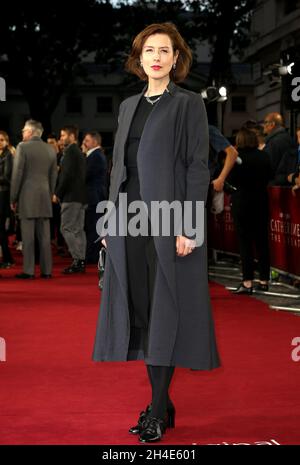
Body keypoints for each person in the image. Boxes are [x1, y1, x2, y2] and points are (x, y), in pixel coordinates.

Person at [92, 22, 220, 443]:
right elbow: (118, 170)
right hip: (130, 222)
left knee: (167, 311)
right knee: (145, 312)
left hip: (169, 223)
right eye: (150, 50)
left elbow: (197, 167)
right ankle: (162, 403)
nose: (157, 57)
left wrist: (189, 225)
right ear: (139, 58)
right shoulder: (128, 106)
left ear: (177, 59)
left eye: (165, 50)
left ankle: (156, 409)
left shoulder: (188, 105)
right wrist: (110, 221)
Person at [10, 120, 57, 279]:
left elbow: (18, 174)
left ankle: (28, 271)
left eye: (24, 130)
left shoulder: (22, 147)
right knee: (45, 237)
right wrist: (50, 193)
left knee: (28, 237)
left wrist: (13, 197)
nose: (22, 133)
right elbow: (53, 176)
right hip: (44, 196)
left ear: (30, 132)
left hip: (27, 196)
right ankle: (47, 271)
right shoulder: (50, 149)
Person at [229, 128, 271, 294]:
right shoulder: (264, 156)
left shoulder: (237, 158)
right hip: (261, 200)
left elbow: (231, 180)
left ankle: (247, 282)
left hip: (242, 201)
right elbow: (270, 175)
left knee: (245, 243)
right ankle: (264, 280)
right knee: (262, 242)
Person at [53, 125, 88, 274]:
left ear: (72, 137)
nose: (60, 139)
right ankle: (80, 261)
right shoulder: (78, 153)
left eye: (63, 136)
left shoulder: (70, 153)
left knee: (66, 228)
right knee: (78, 229)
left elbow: (65, 176)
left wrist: (58, 193)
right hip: (80, 197)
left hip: (71, 197)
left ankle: (77, 259)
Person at [82, 131, 108, 264]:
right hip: (97, 196)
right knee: (93, 226)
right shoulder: (97, 155)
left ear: (95, 142)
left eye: (87, 140)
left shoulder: (95, 156)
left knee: (93, 227)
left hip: (94, 197)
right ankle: (92, 254)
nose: (84, 143)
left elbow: (86, 176)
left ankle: (92, 256)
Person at [263, 112, 297, 185]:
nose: (263, 125)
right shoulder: (289, 138)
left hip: (275, 185)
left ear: (272, 124)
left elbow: (268, 167)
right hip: (288, 183)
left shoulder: (273, 142)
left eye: (265, 122)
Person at [0, 130, 14, 268]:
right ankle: (7, 257)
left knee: (1, 229)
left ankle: (7, 258)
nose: (0, 142)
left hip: (3, 195)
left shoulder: (8, 155)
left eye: (2, 140)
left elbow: (7, 177)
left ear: (6, 142)